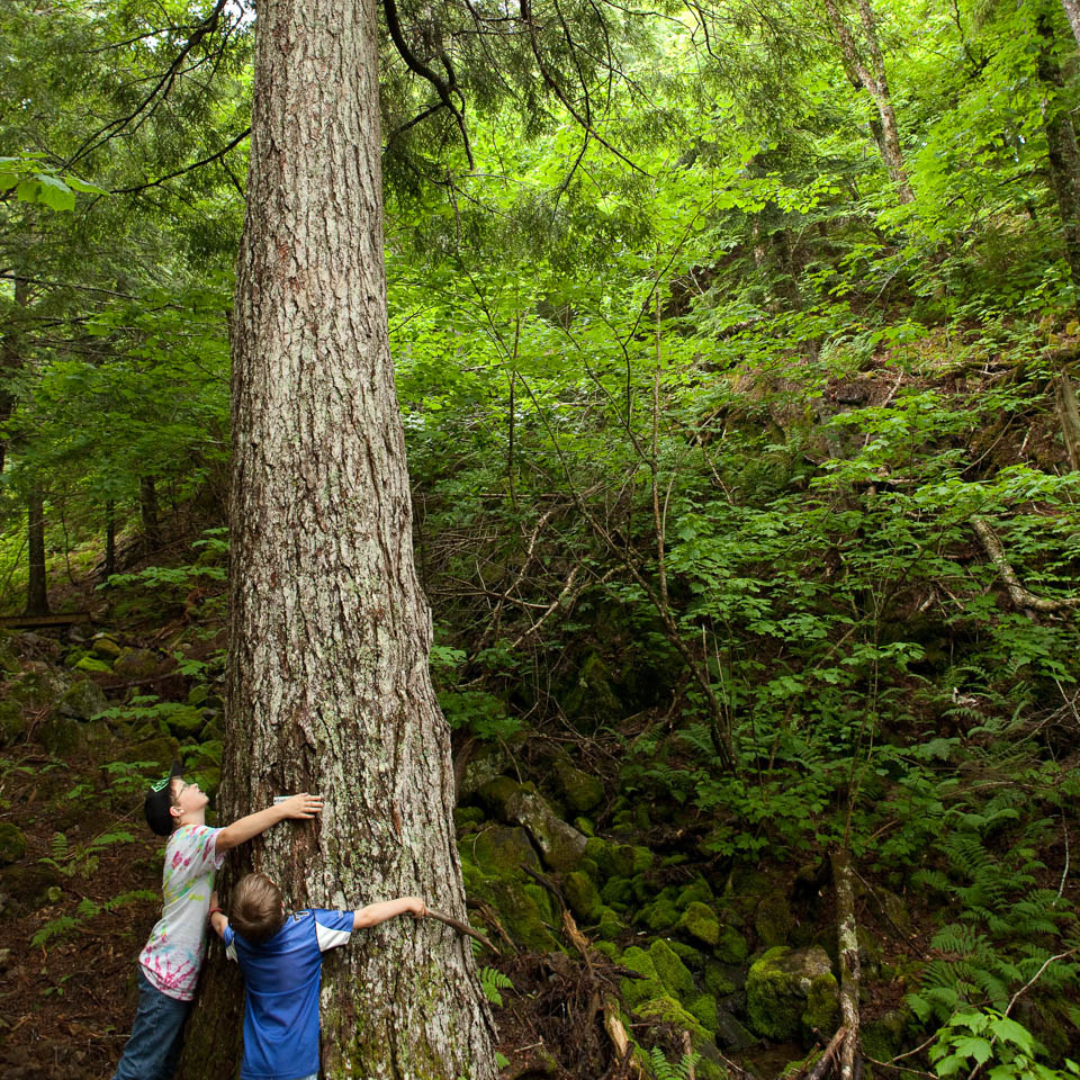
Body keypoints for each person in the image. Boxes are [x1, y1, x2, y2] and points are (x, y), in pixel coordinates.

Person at [112, 761, 323, 1080]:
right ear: (176, 811)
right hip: (165, 977)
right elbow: (229, 837)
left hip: (170, 976)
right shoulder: (189, 838)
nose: (193, 785)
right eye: (183, 788)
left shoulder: (187, 842)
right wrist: (283, 810)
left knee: (163, 1066)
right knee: (140, 1069)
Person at [210, 871, 427, 1080]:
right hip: (298, 1066)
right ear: (282, 905)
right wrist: (408, 903)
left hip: (256, 1065)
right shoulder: (309, 930)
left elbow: (221, 925)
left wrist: (213, 911)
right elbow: (367, 917)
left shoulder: (239, 943)